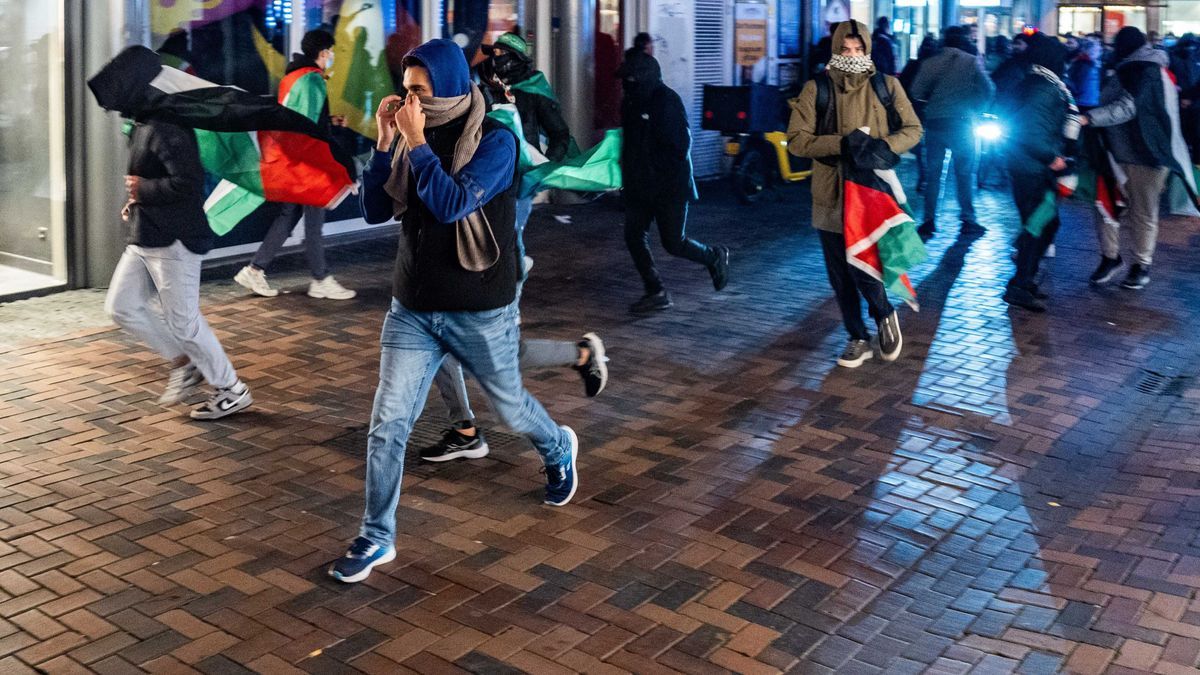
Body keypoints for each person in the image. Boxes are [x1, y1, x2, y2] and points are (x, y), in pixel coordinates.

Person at [329, 39, 580, 584]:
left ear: (446, 86)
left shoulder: (496, 141)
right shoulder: (409, 136)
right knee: (388, 424)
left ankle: (558, 447)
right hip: (413, 307)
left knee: (511, 409)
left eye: (419, 90)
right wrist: (384, 142)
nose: (409, 99)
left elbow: (450, 204)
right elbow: (374, 210)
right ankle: (377, 536)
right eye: (405, 89)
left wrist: (416, 144)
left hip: (477, 306)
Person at [420, 32, 607, 463]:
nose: (497, 59)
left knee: (494, 350)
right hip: (472, 217)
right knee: (445, 338)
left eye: (505, 53)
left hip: (507, 209)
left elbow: (559, 137)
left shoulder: (534, 90)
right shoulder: (478, 89)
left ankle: (577, 364)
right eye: (494, 53)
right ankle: (465, 428)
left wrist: (540, 167)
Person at [93, 79, 253, 420]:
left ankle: (231, 389)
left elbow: (188, 182)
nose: (111, 106)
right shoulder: (143, 123)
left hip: (174, 239)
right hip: (146, 233)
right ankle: (184, 362)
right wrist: (136, 198)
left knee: (185, 323)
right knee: (121, 306)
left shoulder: (166, 126)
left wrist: (142, 189)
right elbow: (150, 179)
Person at [788, 20, 923, 367]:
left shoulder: (887, 85)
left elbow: (913, 129)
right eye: (845, 50)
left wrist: (882, 147)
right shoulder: (816, 88)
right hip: (831, 192)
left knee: (869, 266)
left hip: (872, 191)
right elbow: (798, 140)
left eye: (858, 49)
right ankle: (857, 336)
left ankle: (883, 314)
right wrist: (842, 144)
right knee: (840, 274)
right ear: (836, 50)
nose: (852, 55)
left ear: (867, 48)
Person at [234, 30, 355, 301]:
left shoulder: (292, 77)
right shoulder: (312, 81)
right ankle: (320, 278)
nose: (332, 56)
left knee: (288, 216)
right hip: (306, 163)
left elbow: (299, 117)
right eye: (331, 51)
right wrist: (342, 163)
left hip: (289, 159)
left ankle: (255, 269)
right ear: (324, 52)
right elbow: (311, 130)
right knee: (313, 220)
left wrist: (329, 120)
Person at [1082, 27, 1194, 290]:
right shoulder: (1134, 67)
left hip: (1146, 156)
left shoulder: (1146, 70)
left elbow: (1129, 107)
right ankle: (1112, 258)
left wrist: (1091, 117)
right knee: (1106, 206)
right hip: (1117, 151)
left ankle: (1140, 264)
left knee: (1141, 212)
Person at [619, 50, 730, 313]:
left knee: (673, 243)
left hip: (669, 186)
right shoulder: (631, 103)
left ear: (643, 78)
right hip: (640, 185)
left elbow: (680, 146)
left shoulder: (666, 101)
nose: (626, 84)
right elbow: (629, 144)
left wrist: (652, 170)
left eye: (630, 79)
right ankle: (655, 291)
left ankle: (714, 256)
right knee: (633, 235)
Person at [1001, 33, 1079, 311]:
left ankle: (1025, 280)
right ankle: (1020, 284)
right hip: (1033, 166)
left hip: (1028, 165)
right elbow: (1029, 130)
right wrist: (1052, 157)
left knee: (1042, 224)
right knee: (1038, 225)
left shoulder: (1038, 83)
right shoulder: (1044, 87)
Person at [911, 25, 995, 240]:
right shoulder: (971, 61)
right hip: (963, 124)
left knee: (934, 175)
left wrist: (933, 100)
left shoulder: (930, 62)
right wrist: (978, 108)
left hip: (936, 123)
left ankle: (929, 221)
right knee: (965, 174)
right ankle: (968, 220)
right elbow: (989, 89)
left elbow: (916, 91)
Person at [900, 34, 941, 192]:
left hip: (918, 109)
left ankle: (925, 176)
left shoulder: (916, 65)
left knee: (921, 145)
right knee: (925, 145)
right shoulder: (933, 66)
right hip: (925, 110)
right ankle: (926, 176)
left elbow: (903, 86)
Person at [1067, 37, 1103, 109]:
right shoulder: (1096, 63)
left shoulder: (1083, 64)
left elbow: (1077, 87)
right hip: (1093, 101)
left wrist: (1064, 80)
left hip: (1081, 102)